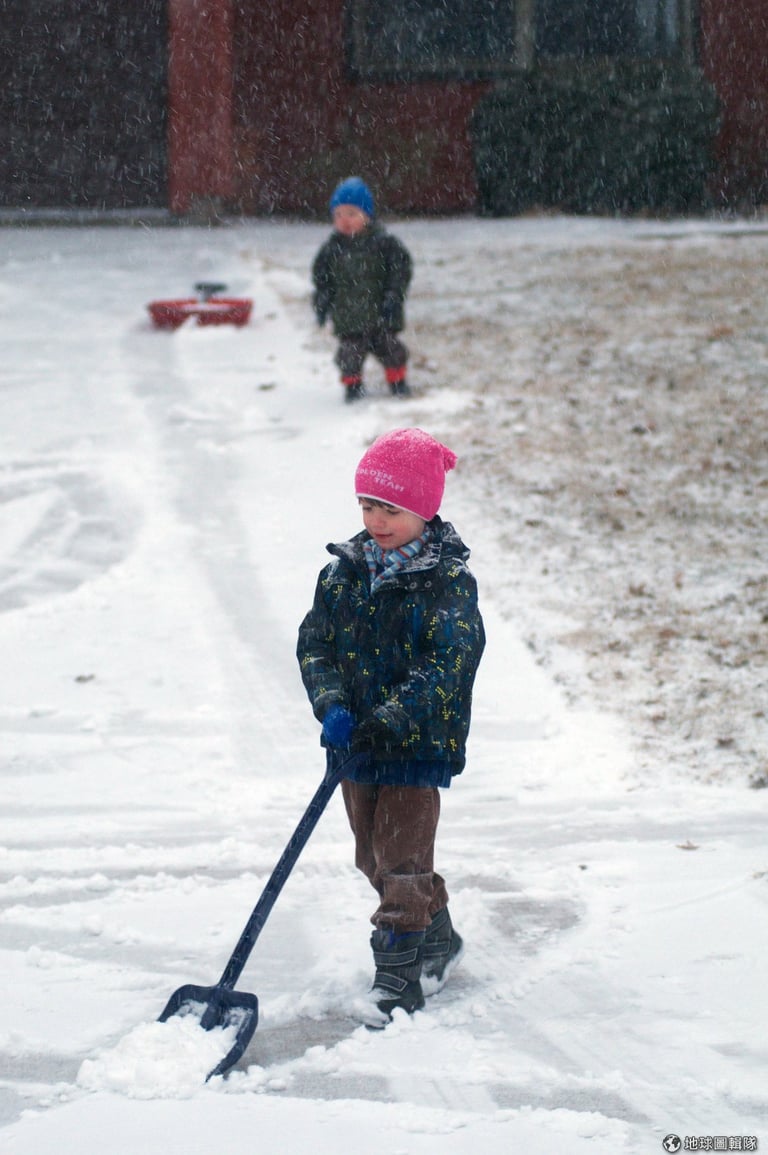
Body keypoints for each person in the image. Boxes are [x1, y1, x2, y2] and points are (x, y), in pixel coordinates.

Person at [296, 428, 485, 1024]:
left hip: (416, 743)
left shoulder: (445, 582)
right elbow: (314, 644)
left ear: (424, 510)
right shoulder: (341, 574)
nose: (377, 520)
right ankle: (438, 936)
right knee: (373, 858)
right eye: (368, 506)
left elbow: (450, 662)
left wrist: (392, 718)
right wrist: (332, 706)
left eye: (392, 509)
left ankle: (398, 979)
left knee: (401, 861)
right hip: (355, 744)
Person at [312, 176, 413, 404]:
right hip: (349, 317)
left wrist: (393, 295)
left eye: (351, 214)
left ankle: (397, 381)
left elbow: (400, 270)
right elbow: (322, 281)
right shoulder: (331, 250)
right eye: (338, 215)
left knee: (392, 351)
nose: (344, 220)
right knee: (349, 356)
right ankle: (352, 385)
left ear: (366, 215)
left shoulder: (384, 244)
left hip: (380, 314)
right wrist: (322, 302)